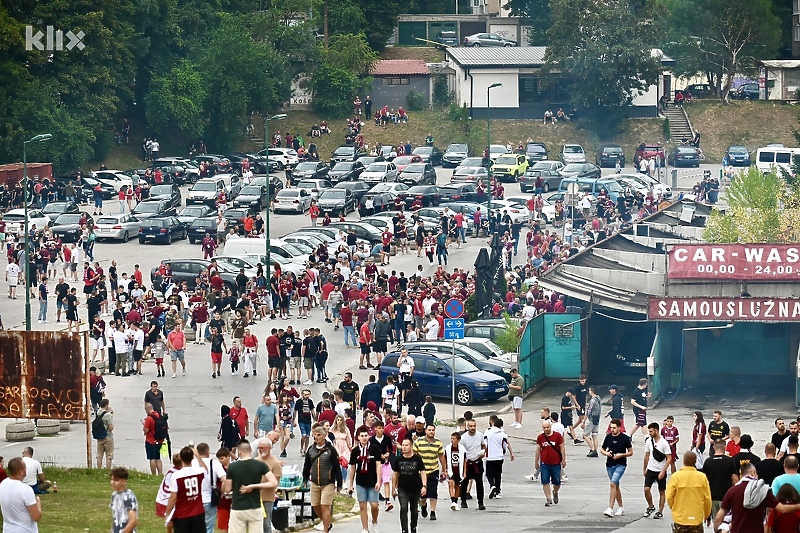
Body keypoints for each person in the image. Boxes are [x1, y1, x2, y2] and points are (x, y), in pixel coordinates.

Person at [715, 462, 800, 533]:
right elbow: (782, 509)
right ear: (753, 472)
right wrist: (798, 506)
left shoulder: (732, 491)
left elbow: (720, 514)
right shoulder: (763, 490)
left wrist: (716, 530)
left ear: (741, 476)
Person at [223, 440, 278, 533]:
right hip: (255, 506)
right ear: (251, 449)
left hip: (238, 507)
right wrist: (254, 486)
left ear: (239, 451)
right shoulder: (260, 465)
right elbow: (273, 482)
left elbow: (227, 489)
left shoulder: (232, 467)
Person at [302, 427, 342, 533]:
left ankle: (325, 530)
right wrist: (305, 479)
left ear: (325, 436)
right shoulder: (311, 449)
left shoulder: (331, 450)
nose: (316, 437)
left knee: (325, 506)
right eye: (315, 434)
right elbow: (307, 465)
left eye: (319, 435)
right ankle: (326, 522)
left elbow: (337, 467)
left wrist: (339, 483)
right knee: (315, 505)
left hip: (328, 482)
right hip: (314, 482)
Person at [666, 451, 712, 533]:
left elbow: (669, 496)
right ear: (695, 462)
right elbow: (707, 499)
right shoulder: (702, 477)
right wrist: (706, 514)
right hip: (696, 518)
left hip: (680, 518)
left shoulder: (676, 477)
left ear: (684, 462)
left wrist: (674, 508)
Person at [348, 427, 382, 533]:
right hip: (361, 481)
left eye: (366, 436)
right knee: (362, 505)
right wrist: (350, 484)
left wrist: (378, 481)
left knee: (374, 505)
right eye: (362, 436)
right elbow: (353, 467)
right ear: (358, 437)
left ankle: (375, 521)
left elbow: (378, 465)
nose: (364, 438)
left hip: (372, 481)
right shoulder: (355, 451)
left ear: (369, 436)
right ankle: (365, 528)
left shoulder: (375, 448)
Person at [166, 446, 207, 533]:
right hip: (198, 512)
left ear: (180, 458)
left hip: (182, 514)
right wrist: (198, 455)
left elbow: (173, 497)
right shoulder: (199, 472)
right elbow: (205, 468)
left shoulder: (176, 476)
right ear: (192, 458)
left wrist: (168, 512)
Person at [392, 436, 427, 533]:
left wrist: (424, 486)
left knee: (414, 510)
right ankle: (404, 529)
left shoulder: (417, 459)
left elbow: (423, 472)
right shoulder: (398, 460)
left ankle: (413, 528)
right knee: (403, 508)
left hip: (415, 489)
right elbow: (395, 474)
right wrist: (393, 488)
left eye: (406, 445)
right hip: (402, 488)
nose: (404, 447)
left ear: (411, 446)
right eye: (403, 445)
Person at [702, 439, 738, 532]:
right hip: (726, 496)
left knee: (716, 521)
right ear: (724, 447)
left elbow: (704, 481)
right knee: (726, 521)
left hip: (712, 496)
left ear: (714, 447)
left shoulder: (708, 461)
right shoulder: (730, 461)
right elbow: (734, 478)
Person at [0, 457, 42, 532]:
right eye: (25, 467)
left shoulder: (2, 484)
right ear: (21, 472)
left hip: (8, 530)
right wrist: (38, 503)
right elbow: (36, 517)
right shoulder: (26, 490)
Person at [601, 418, 633, 517]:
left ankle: (610, 508)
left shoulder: (625, 438)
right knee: (615, 486)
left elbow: (631, 452)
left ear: (619, 428)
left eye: (614, 428)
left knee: (613, 483)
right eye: (611, 428)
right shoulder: (608, 437)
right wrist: (607, 453)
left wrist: (621, 455)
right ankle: (621, 507)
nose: (612, 430)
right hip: (609, 464)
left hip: (621, 464)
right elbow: (602, 449)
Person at [414, 423, 446, 520]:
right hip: (421, 472)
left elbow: (441, 457)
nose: (431, 432)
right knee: (423, 494)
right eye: (429, 430)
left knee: (433, 492)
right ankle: (423, 506)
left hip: (433, 470)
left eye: (433, 430)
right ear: (425, 431)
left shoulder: (438, 443)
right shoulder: (418, 442)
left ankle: (433, 512)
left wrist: (444, 469)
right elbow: (414, 455)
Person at [642, 422, 672, 519]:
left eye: (651, 431)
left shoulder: (664, 443)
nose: (649, 433)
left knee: (661, 491)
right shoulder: (649, 441)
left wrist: (663, 471)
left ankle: (660, 511)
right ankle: (651, 506)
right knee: (646, 489)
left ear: (656, 430)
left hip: (660, 470)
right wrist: (644, 468)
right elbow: (647, 455)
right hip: (651, 469)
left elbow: (669, 458)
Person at [535, 418, 566, 507]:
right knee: (545, 481)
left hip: (556, 463)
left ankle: (555, 492)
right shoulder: (540, 437)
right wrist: (536, 462)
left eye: (547, 427)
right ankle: (548, 498)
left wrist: (563, 459)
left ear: (550, 426)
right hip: (545, 463)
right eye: (544, 428)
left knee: (557, 482)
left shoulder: (557, 436)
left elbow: (562, 447)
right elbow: (537, 450)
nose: (545, 429)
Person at [459, 419, 486, 510]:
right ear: (467, 427)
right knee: (464, 482)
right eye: (470, 426)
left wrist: (483, 452)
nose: (472, 428)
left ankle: (481, 503)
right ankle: (463, 500)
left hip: (477, 462)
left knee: (479, 483)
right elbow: (461, 451)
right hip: (467, 463)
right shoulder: (463, 438)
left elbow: (483, 445)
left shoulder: (480, 435)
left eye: (474, 426)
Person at [484, 418, 514, 499]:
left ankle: (492, 486)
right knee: (498, 474)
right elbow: (505, 444)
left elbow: (485, 443)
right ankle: (498, 492)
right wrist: (510, 453)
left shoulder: (488, 431)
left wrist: (483, 452)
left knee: (489, 474)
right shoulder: (502, 433)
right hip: (499, 457)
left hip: (490, 456)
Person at [109, 467, 138, 533]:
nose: (112, 482)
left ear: (124, 482)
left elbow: (133, 521)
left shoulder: (128, 496)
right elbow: (115, 518)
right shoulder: (114, 495)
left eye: (116, 480)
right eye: (112, 479)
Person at [143, 403, 165, 475]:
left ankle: (153, 474)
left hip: (151, 440)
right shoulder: (158, 415)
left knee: (152, 458)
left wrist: (144, 425)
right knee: (158, 458)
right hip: (159, 440)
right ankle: (160, 473)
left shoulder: (149, 418)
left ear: (147, 409)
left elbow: (146, 430)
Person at [95, 398, 115, 469]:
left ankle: (99, 469)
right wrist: (111, 412)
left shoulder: (97, 412)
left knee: (99, 455)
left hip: (99, 436)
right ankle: (108, 469)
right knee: (109, 455)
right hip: (107, 436)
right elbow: (111, 427)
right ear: (106, 405)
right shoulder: (107, 415)